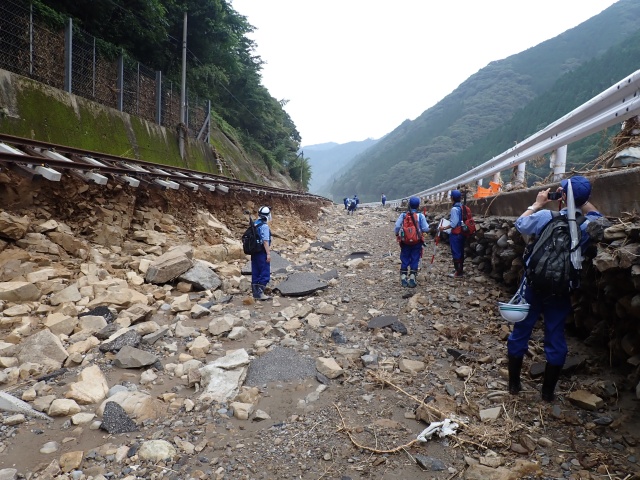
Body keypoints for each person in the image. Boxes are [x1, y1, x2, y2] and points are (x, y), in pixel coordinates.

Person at [507, 176, 602, 402]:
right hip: (561, 290)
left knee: (521, 331)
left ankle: (514, 385)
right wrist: (580, 200)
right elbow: (600, 218)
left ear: (561, 196)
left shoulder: (545, 217)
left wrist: (537, 204)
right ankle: (548, 393)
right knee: (555, 336)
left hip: (534, 285)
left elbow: (520, 224)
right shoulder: (587, 225)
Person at [394, 196, 429, 288]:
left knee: (404, 257)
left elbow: (397, 226)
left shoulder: (404, 215)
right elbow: (425, 228)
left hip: (405, 241)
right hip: (417, 240)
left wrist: (397, 234)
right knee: (415, 257)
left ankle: (403, 278)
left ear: (409, 204)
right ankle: (412, 278)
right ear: (418, 206)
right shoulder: (420, 215)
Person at [438, 190, 465, 278]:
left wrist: (444, 228)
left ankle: (458, 272)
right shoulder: (462, 206)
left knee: (456, 252)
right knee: (461, 251)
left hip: (456, 233)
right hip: (462, 232)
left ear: (452, 198)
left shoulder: (454, 209)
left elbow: (453, 224)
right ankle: (460, 269)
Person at [251, 206, 273, 301]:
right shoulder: (264, 226)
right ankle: (260, 293)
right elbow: (265, 241)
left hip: (254, 252)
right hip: (261, 252)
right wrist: (268, 253)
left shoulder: (255, 223)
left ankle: (255, 293)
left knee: (255, 271)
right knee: (264, 272)